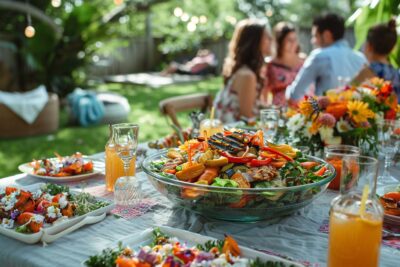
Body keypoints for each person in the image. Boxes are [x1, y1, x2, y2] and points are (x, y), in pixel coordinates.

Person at [285, 13, 367, 102]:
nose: (313, 41)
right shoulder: (361, 58)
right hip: (358, 113)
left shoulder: (319, 56)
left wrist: (287, 93)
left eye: (315, 36)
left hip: (326, 114)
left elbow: (295, 94)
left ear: (327, 35)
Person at [214, 19, 271, 123]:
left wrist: (272, 110)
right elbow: (246, 118)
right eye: (266, 37)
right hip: (233, 134)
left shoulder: (245, 70)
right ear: (255, 42)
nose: (270, 40)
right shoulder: (247, 75)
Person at [352, 19, 400, 100]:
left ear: (369, 46)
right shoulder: (396, 73)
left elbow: (345, 92)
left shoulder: (368, 72)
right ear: (392, 48)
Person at [263, 22, 305, 107]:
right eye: (289, 40)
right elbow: (264, 93)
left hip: (304, 109)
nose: (293, 43)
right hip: (280, 111)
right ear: (280, 41)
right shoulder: (270, 64)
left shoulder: (304, 61)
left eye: (295, 39)